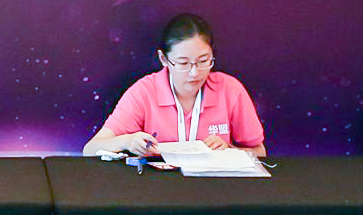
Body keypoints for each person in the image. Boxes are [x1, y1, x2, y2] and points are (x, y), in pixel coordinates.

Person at [83, 12, 265, 157]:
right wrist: (127, 142)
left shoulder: (230, 90)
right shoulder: (145, 92)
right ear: (164, 59)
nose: (194, 72)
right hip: (158, 189)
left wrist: (229, 151)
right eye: (183, 63)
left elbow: (260, 151)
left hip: (214, 187)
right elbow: (91, 149)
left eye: (203, 61)